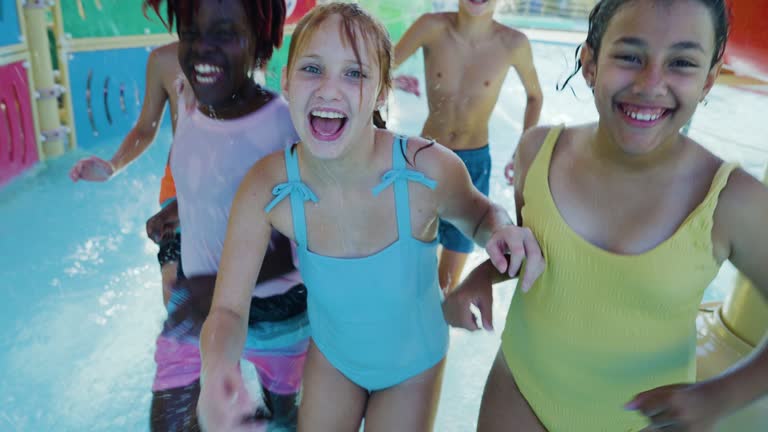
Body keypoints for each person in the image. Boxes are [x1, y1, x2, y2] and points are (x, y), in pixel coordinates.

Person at [196, 3, 545, 431]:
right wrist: (215, 370)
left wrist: (500, 229)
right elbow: (229, 309)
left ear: (382, 91)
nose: (329, 89)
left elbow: (479, 217)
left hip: (412, 367)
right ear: (285, 81)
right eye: (311, 69)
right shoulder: (266, 188)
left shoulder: (425, 170)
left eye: (355, 73)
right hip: (333, 359)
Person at [443, 0, 768, 430]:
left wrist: (719, 396)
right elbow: (534, 253)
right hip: (520, 393)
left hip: (642, 422)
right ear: (590, 62)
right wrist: (484, 276)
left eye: (682, 63)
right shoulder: (538, 152)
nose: (651, 83)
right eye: (630, 56)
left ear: (709, 79)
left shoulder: (730, 200)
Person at [142, 0, 310, 430]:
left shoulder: (284, 127)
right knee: (172, 421)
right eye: (191, 33)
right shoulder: (190, 104)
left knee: (282, 419)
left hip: (274, 307)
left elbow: (301, 235)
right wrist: (181, 210)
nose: (203, 49)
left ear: (261, 43)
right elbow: (218, 177)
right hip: (196, 300)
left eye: (224, 34)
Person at [392, 0, 543, 293]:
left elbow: (535, 96)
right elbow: (380, 69)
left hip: (473, 166)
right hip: (426, 159)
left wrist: (523, 147)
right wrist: (394, 81)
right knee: (414, 273)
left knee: (447, 283)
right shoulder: (431, 27)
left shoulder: (513, 43)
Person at [69, 41, 184, 306]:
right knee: (173, 283)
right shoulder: (164, 60)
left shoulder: (237, 48)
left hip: (230, 180)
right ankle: (182, 344)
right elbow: (146, 128)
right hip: (180, 186)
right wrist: (113, 165)